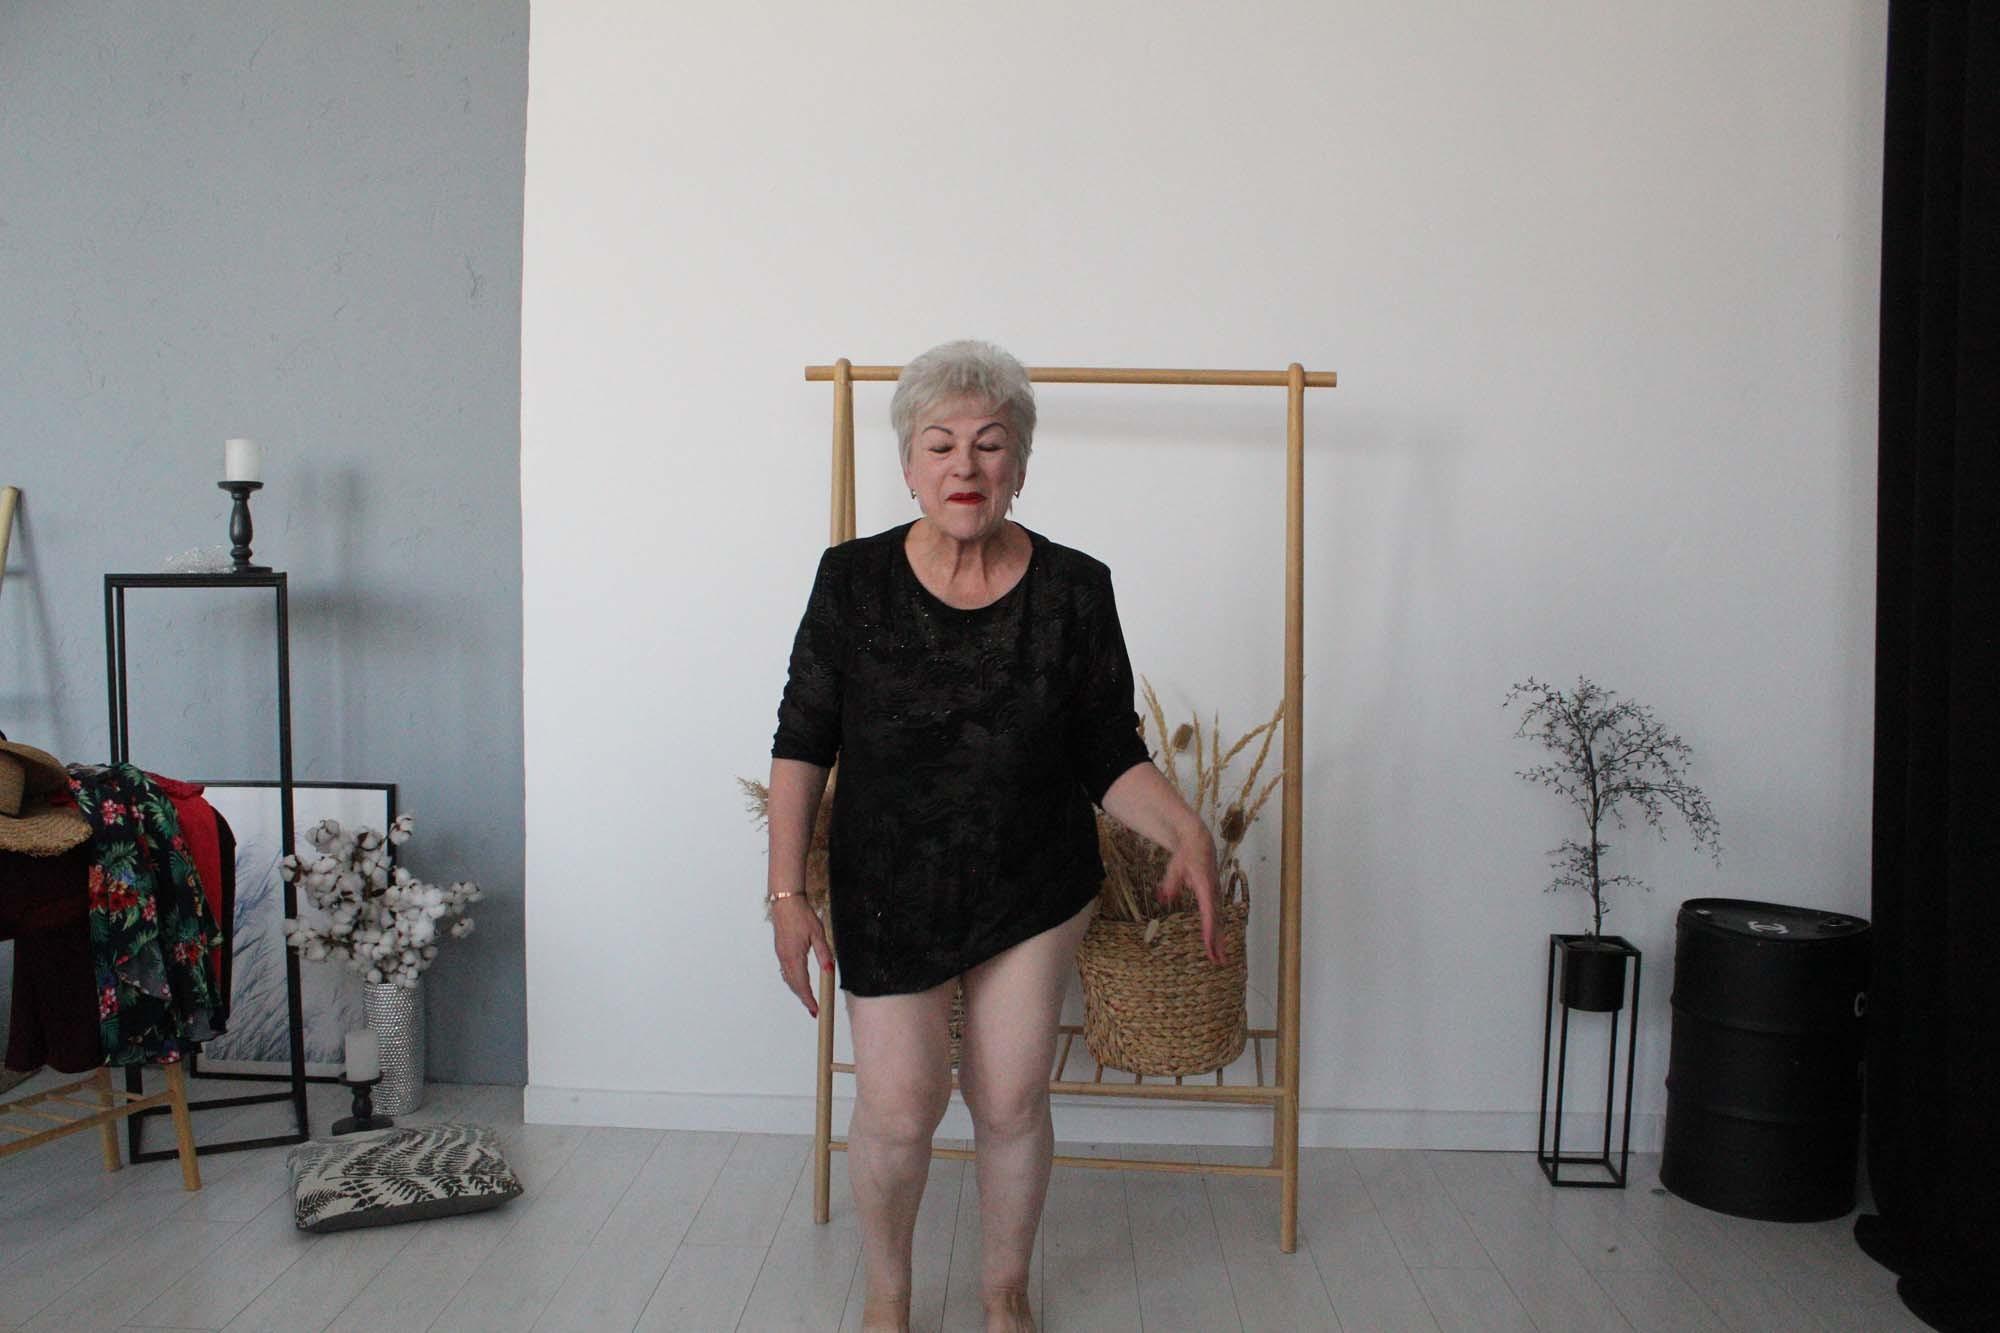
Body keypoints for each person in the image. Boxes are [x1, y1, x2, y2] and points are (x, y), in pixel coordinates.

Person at [765, 340, 1225, 1333]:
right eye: (940, 445)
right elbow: (802, 740)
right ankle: (889, 1293)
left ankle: (1003, 1290)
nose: (964, 466)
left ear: (1019, 462)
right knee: (898, 1106)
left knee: (1011, 1097)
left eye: (988, 443)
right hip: (888, 884)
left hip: (1031, 879)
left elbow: (1108, 751)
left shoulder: (1075, 590)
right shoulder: (850, 581)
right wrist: (786, 895)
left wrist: (1185, 826)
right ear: (908, 464)